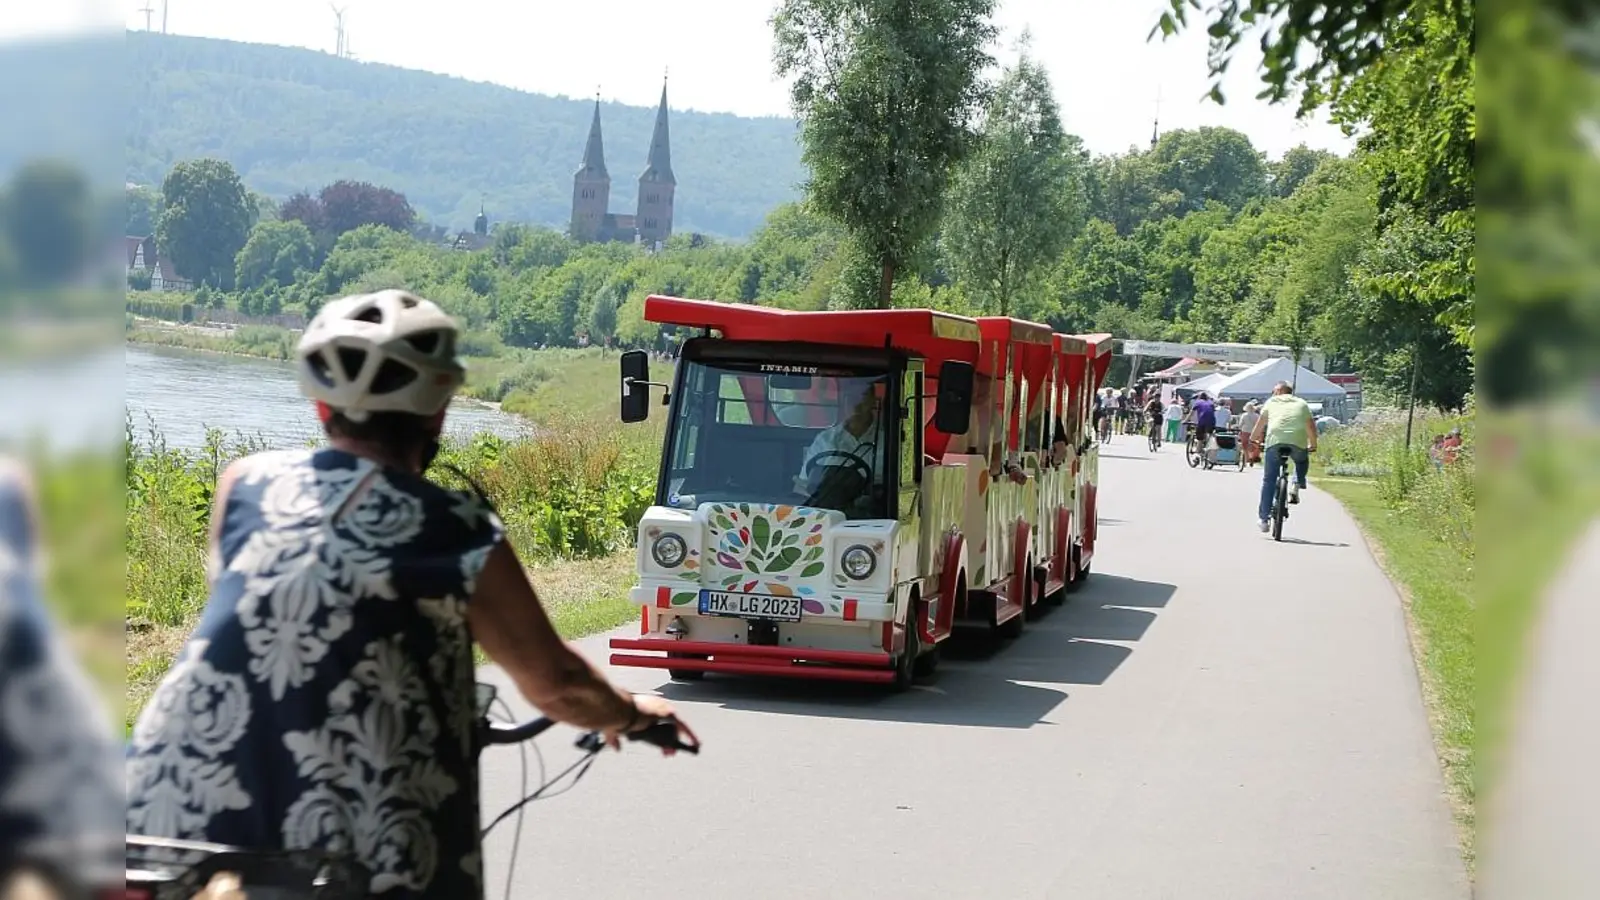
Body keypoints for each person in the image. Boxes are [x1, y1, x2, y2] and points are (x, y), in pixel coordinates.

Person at [124, 290, 695, 899]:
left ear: (321, 406)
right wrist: (629, 713)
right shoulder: (455, 527)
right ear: (438, 412)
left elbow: (265, 624)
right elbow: (556, 682)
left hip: (161, 822)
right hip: (345, 856)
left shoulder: (244, 485)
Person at [793, 380, 887, 496]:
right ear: (843, 401)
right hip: (829, 503)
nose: (856, 404)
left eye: (862, 397)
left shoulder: (888, 439)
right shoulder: (825, 440)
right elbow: (802, 486)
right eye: (850, 397)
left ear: (873, 400)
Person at [1248, 380, 1318, 532]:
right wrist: (1313, 444)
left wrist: (1252, 439)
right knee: (1301, 460)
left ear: (1279, 391)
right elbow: (1311, 426)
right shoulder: (1302, 403)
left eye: (1274, 391)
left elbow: (1260, 424)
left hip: (1274, 442)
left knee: (1269, 480)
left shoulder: (1271, 402)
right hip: (1297, 441)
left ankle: (1264, 519)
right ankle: (1296, 484)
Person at [1235, 401, 1261, 465]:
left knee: (1244, 445)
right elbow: (1258, 424)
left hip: (1245, 431)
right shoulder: (1257, 416)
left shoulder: (1244, 415)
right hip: (1254, 432)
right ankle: (1252, 457)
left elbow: (1241, 424)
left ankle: (1247, 458)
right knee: (1253, 445)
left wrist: (1239, 428)